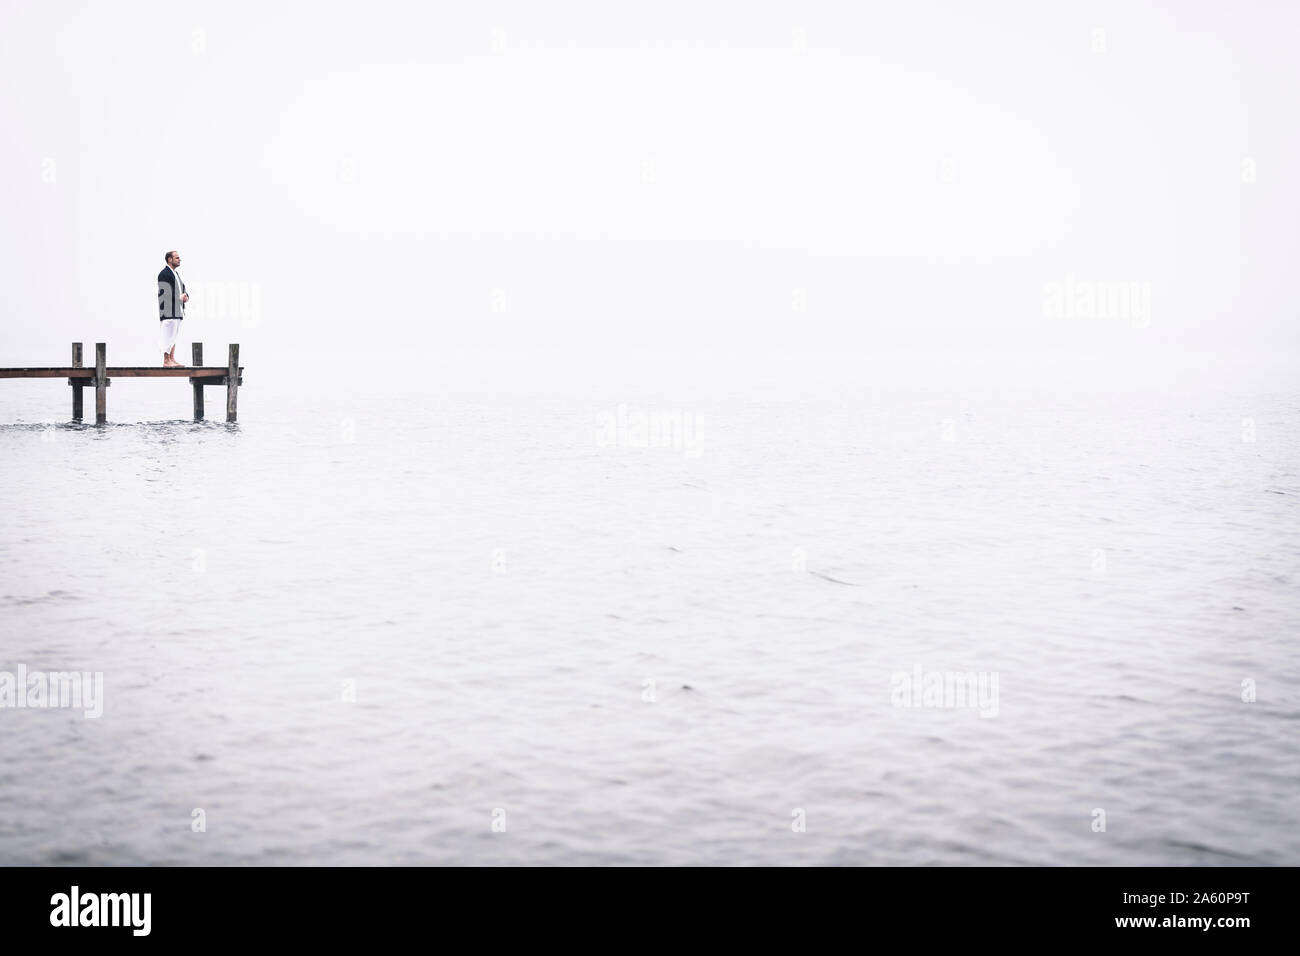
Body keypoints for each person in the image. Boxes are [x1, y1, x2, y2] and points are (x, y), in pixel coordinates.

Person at [157, 250, 189, 367]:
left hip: (177, 310)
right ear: (169, 259)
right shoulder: (164, 274)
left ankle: (172, 359)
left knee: (173, 336)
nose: (179, 259)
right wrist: (178, 297)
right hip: (168, 311)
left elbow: (182, 288)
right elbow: (164, 293)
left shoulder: (176, 274)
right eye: (176, 258)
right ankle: (166, 361)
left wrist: (186, 296)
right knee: (167, 335)